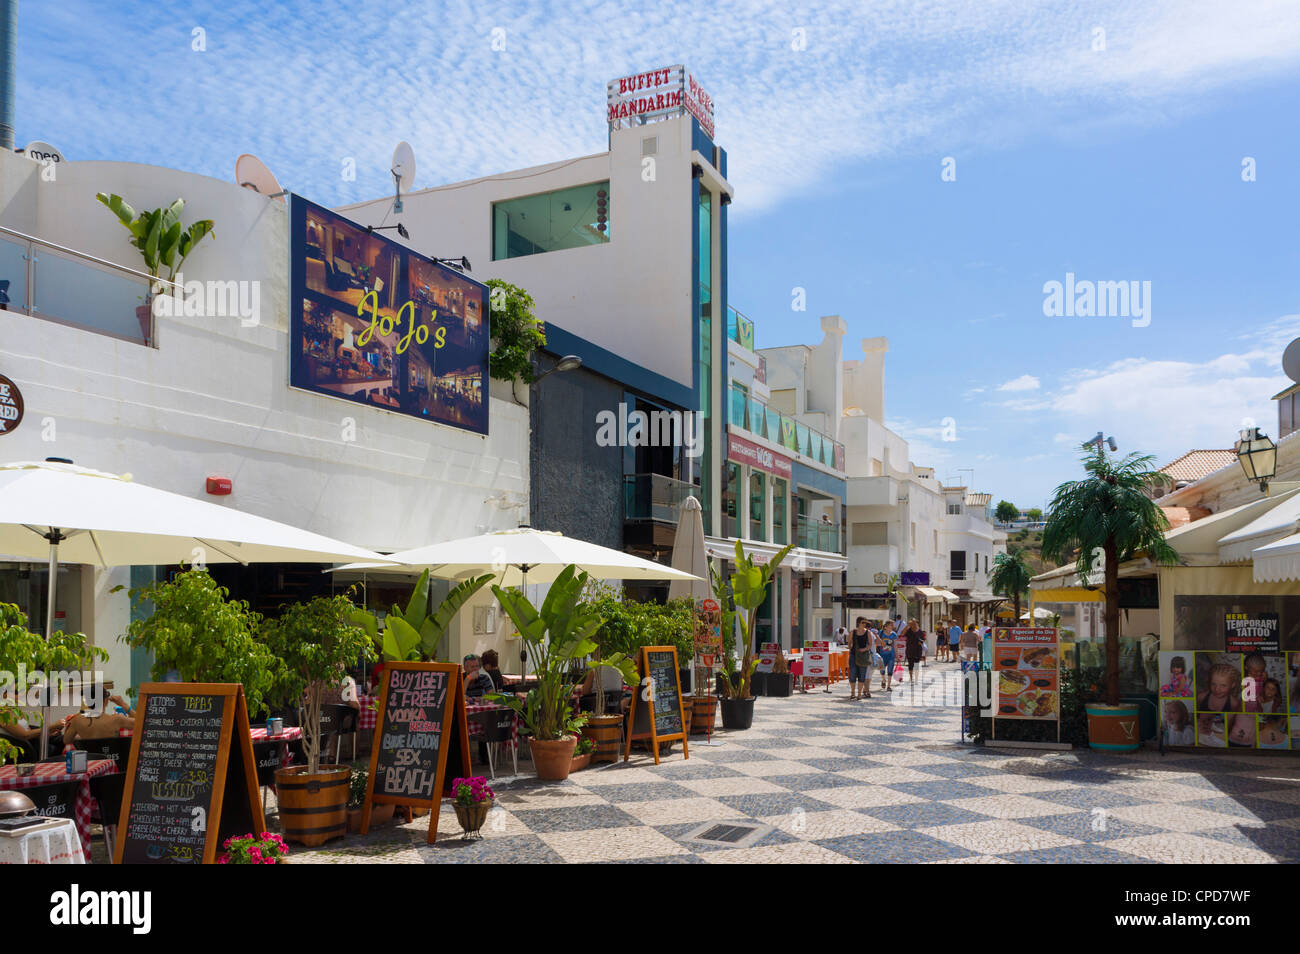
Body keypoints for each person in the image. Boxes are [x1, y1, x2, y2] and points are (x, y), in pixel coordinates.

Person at [61, 695, 136, 747]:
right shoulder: (117, 719)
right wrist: (123, 704)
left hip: (90, 760)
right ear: (106, 700)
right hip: (113, 760)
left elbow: (66, 740)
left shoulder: (77, 721)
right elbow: (142, 723)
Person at [848, 616, 874, 700]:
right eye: (863, 622)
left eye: (865, 623)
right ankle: (852, 693)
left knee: (862, 675)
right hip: (853, 655)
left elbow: (870, 644)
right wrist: (850, 648)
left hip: (863, 656)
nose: (865, 624)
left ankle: (859, 694)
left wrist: (865, 649)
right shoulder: (853, 632)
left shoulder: (868, 633)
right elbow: (849, 642)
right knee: (852, 674)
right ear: (858, 623)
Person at [877, 620, 897, 692]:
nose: (892, 626)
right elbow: (877, 643)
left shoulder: (894, 634)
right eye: (891, 625)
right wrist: (882, 644)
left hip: (891, 655)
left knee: (890, 670)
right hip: (882, 655)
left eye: (892, 625)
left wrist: (897, 655)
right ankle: (883, 680)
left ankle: (889, 686)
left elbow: (895, 645)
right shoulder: (881, 633)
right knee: (882, 670)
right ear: (886, 626)